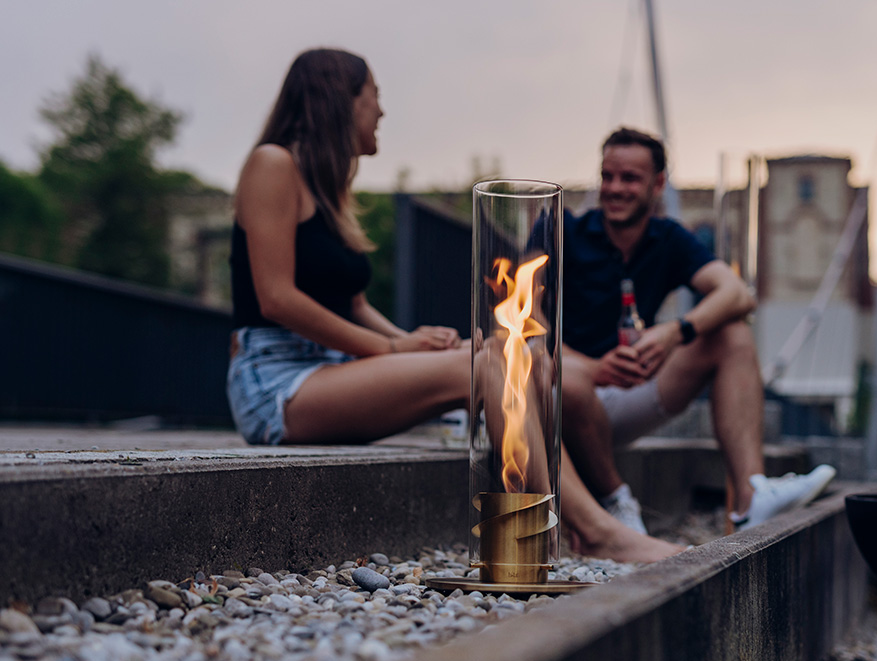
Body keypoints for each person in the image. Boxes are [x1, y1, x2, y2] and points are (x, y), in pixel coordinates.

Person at [226, 49, 681, 563]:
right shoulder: (272, 164)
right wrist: (394, 347)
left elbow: (351, 303)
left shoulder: (326, 190)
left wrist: (409, 342)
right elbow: (277, 298)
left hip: (332, 368)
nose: (381, 111)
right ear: (341, 101)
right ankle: (597, 531)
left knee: (516, 348)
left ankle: (528, 537)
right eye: (374, 96)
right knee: (490, 362)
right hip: (275, 382)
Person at [561, 127, 836, 534]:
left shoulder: (668, 238)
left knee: (732, 334)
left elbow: (737, 294)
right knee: (560, 378)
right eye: (608, 176)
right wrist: (591, 367)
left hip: (625, 394)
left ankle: (752, 496)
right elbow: (522, 324)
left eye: (630, 178)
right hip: (565, 393)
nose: (615, 188)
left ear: (658, 184)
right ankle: (616, 502)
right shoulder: (565, 230)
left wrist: (675, 332)